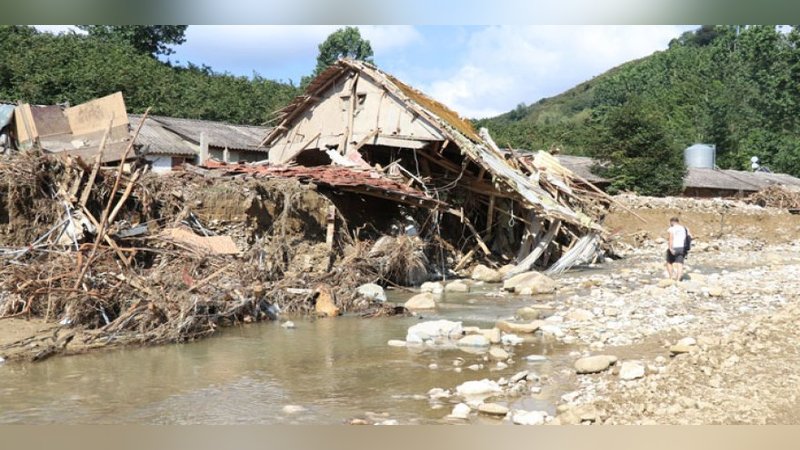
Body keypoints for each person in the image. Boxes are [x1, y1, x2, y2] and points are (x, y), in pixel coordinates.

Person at [665, 217, 690, 281]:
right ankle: (678, 279)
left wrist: (670, 248)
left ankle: (671, 277)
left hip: (674, 247)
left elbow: (671, 238)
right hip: (682, 248)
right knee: (680, 263)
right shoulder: (685, 228)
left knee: (669, 262)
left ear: (672, 222)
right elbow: (689, 237)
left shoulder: (672, 228)